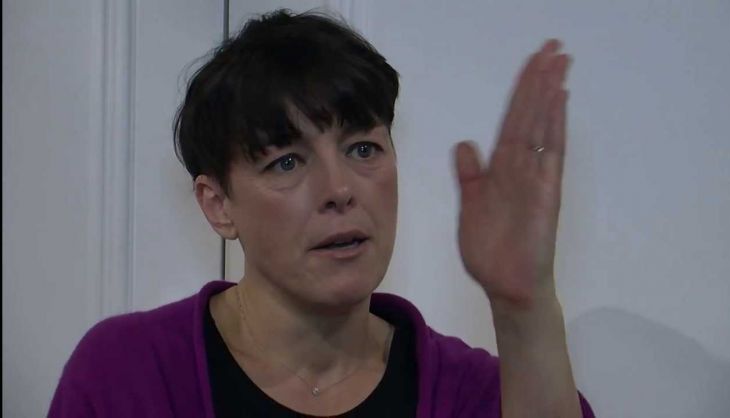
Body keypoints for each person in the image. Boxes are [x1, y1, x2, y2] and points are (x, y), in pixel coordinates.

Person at [49, 8, 595, 418]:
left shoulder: (481, 395)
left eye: (363, 149)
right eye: (287, 161)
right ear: (218, 205)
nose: (339, 189)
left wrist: (524, 304)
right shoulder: (126, 376)